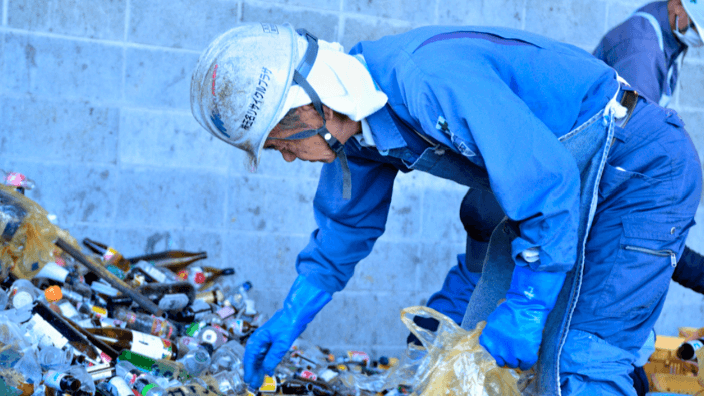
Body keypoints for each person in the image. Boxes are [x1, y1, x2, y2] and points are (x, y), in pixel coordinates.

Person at [190, 22, 702, 394]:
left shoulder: (426, 81)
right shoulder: (361, 127)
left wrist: (527, 305)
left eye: (281, 139)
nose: (284, 155)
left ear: (313, 105)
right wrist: (291, 315)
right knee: (474, 374)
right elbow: (346, 224)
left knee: (578, 363)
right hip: (568, 186)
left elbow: (545, 185)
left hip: (638, 169)